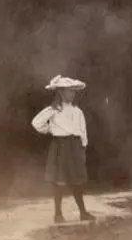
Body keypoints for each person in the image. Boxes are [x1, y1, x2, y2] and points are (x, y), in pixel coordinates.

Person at [32, 75, 95, 223]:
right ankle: (58, 214)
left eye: (73, 92)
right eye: (68, 91)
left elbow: (82, 131)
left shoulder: (78, 111)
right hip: (60, 147)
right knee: (59, 181)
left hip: (75, 147)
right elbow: (36, 123)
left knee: (76, 181)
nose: (71, 94)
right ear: (60, 92)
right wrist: (50, 129)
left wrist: (83, 148)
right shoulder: (53, 110)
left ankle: (83, 212)